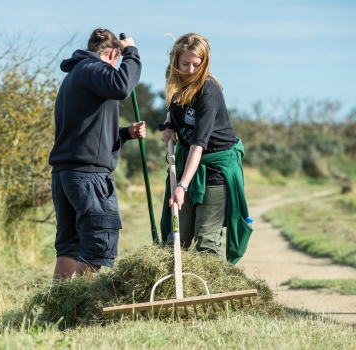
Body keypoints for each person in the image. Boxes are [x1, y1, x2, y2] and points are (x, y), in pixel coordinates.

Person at [49, 28, 146, 281]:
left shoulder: (75, 75)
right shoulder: (93, 69)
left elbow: (88, 129)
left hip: (66, 174)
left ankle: (58, 308)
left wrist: (125, 133)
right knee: (98, 243)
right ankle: (78, 306)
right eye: (119, 58)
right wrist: (133, 54)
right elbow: (122, 86)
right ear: (114, 53)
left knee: (71, 245)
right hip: (88, 177)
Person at [160, 33, 252, 265]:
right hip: (191, 161)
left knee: (206, 243)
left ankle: (216, 294)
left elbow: (198, 145)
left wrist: (181, 185)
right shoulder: (175, 81)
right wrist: (169, 124)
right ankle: (173, 295)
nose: (190, 70)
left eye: (196, 65)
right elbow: (174, 105)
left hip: (216, 167)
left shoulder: (208, 92)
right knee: (177, 240)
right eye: (185, 63)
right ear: (175, 61)